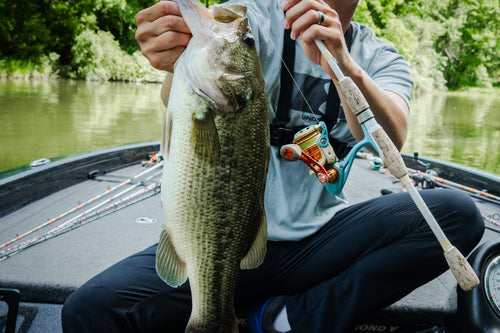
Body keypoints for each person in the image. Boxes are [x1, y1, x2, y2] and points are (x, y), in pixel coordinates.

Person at [61, 0, 485, 332]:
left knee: (457, 216)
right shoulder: (253, 18)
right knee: (90, 309)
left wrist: (343, 64)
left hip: (322, 242)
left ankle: (292, 321)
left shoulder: (379, 56)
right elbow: (198, 83)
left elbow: (390, 140)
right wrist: (175, 51)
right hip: (226, 243)